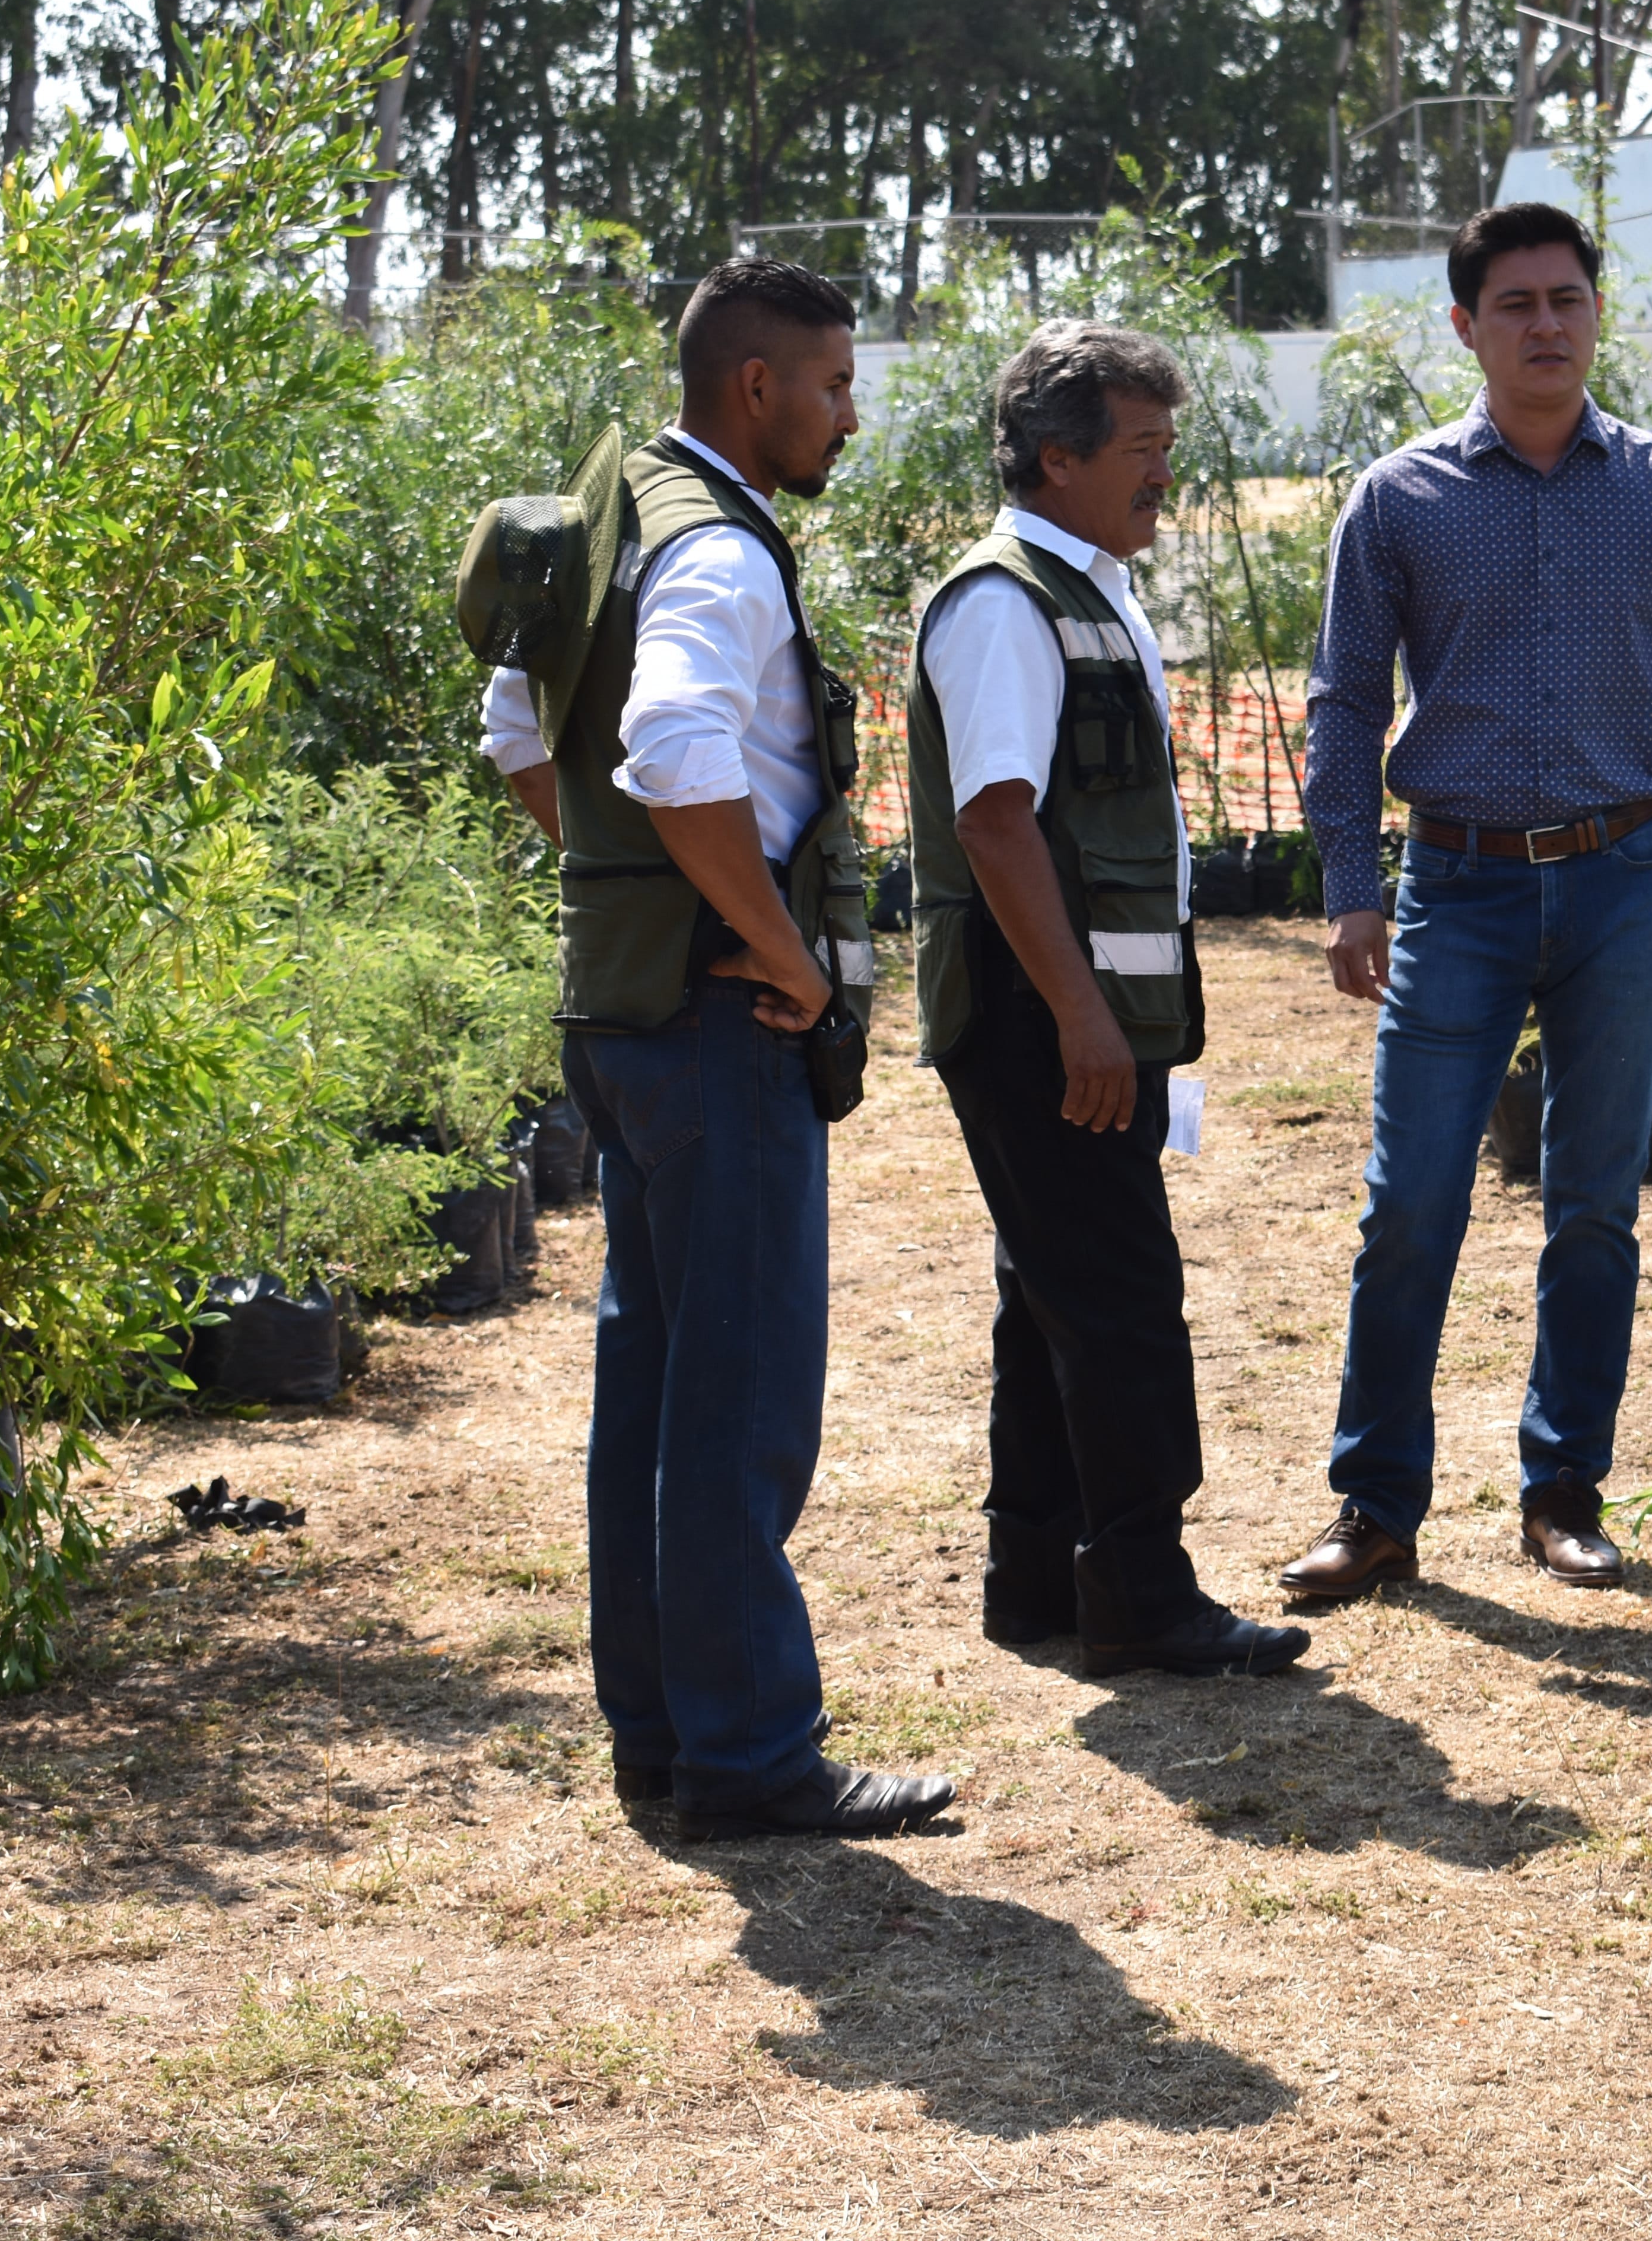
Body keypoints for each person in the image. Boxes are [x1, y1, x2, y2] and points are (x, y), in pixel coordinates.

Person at [477, 256, 956, 1841]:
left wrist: (627, 886)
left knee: (659, 1389)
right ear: (755, 388)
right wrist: (764, 946)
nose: (848, 413)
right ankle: (752, 1758)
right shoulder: (720, 558)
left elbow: (518, 736)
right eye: (831, 385)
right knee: (741, 1406)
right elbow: (673, 751)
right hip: (714, 1025)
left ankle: (668, 1742)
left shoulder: (617, 514)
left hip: (619, 1012)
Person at [1282, 203, 1652, 1603]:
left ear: (1598, 313)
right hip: (1452, 885)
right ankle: (1375, 1505)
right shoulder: (1398, 502)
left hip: (1621, 878)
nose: (1545, 324)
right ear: (1466, 325)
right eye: (1514, 303)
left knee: (1594, 1202)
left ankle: (1563, 1488)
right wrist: (1352, 891)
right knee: (1411, 1202)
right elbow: (1342, 703)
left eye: (1567, 298)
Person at [904, 319, 1310, 1679]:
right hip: (1041, 1017)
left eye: (1166, 450)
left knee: (1054, 1291)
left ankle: (1039, 1574)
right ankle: (1143, 1587)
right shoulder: (1006, 603)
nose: (1163, 478)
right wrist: (1081, 1016)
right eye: (1142, 451)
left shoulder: (1082, 584)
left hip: (1082, 1009)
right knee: (1124, 1294)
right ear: (1056, 456)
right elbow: (999, 824)